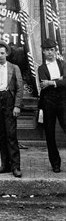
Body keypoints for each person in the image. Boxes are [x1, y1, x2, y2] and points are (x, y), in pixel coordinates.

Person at [0, 41, 23, 178]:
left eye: (2, 53)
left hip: (9, 101)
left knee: (11, 134)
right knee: (1, 134)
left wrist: (17, 106)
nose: (0, 55)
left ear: (7, 53)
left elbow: (19, 88)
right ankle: (5, 164)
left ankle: (16, 166)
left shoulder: (14, 68)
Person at [37, 38, 66, 173]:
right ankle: (55, 163)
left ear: (55, 51)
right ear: (43, 52)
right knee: (50, 133)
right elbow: (43, 83)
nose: (49, 53)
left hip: (63, 102)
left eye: (52, 50)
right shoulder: (41, 68)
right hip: (48, 102)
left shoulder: (62, 64)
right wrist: (58, 80)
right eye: (47, 50)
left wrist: (51, 82)